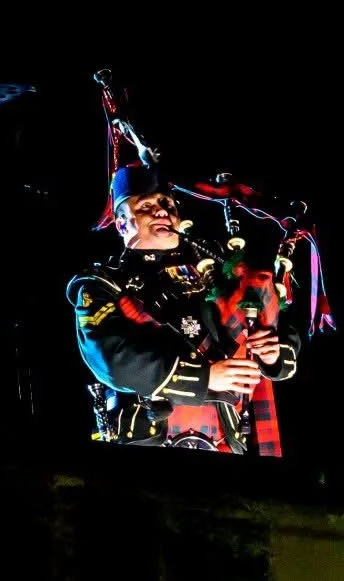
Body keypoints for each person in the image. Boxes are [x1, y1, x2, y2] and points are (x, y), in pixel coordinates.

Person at [66, 164, 302, 454]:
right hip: (152, 435)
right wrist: (205, 378)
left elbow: (278, 324)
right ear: (122, 223)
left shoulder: (220, 267)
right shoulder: (102, 283)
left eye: (166, 203)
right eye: (146, 206)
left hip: (228, 436)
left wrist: (273, 352)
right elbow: (110, 358)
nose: (162, 211)